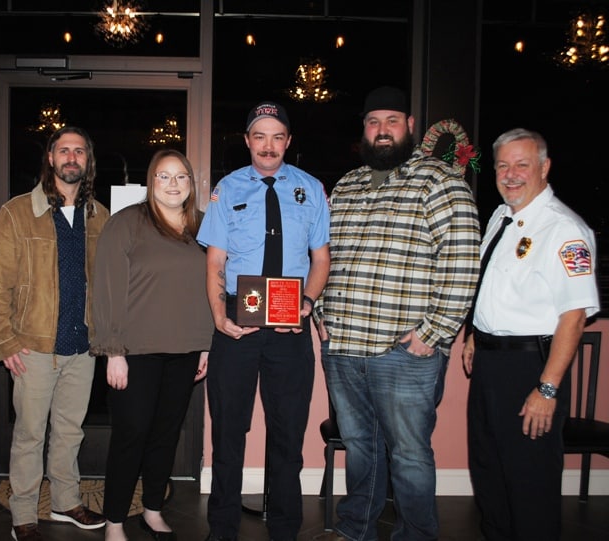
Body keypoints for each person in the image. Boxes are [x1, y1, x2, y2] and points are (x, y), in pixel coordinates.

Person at [314, 86, 480, 541]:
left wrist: (434, 332)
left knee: (409, 454)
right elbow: (324, 255)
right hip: (345, 349)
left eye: (392, 121)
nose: (382, 130)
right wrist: (321, 313)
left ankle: (416, 535)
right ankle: (356, 530)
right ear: (363, 130)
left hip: (405, 353)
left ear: (409, 126)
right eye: (373, 122)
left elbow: (463, 262)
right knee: (362, 450)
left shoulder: (441, 182)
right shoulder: (346, 185)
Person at [196, 102, 331, 541]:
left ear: (288, 141)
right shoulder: (226, 188)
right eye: (260, 136)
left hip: (291, 326)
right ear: (248, 140)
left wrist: (307, 303)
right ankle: (222, 530)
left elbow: (321, 259)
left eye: (277, 136)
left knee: (288, 434)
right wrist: (220, 317)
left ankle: (285, 528)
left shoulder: (311, 189)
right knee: (229, 432)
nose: (268, 145)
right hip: (238, 320)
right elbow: (215, 260)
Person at [462, 128, 600, 541]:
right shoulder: (503, 218)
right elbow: (493, 286)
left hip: (529, 370)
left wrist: (548, 389)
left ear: (544, 167)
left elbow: (573, 319)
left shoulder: (564, 230)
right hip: (489, 363)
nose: (511, 174)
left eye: (522, 164)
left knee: (529, 484)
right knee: (489, 474)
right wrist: (475, 334)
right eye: (503, 165)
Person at [0, 126, 110, 541]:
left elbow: (107, 283)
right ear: (51, 159)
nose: (71, 157)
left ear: (88, 162)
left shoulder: (101, 216)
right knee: (30, 435)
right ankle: (23, 513)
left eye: (79, 151)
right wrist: (3, 342)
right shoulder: (18, 212)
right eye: (63, 150)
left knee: (70, 433)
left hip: (82, 348)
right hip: (34, 347)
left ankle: (65, 501)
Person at [90, 149, 213, 541]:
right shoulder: (127, 223)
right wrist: (113, 352)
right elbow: (106, 290)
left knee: (165, 435)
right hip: (134, 353)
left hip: (185, 351)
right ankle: (113, 521)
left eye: (181, 177)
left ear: (191, 184)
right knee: (131, 436)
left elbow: (213, 288)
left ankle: (153, 509)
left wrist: (207, 345)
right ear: (151, 181)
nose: (173, 184)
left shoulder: (203, 228)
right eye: (164, 176)